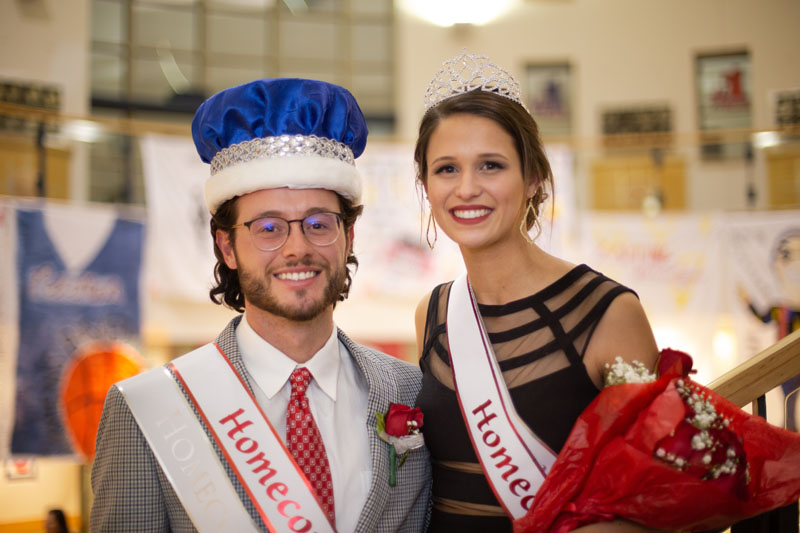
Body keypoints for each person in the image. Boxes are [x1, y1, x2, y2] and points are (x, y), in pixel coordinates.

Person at [91, 78, 431, 532]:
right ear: (227, 247)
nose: (297, 248)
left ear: (348, 236)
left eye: (318, 223)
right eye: (269, 228)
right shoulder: (148, 411)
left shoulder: (411, 391)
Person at [412, 52, 660, 532]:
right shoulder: (434, 312)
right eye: (446, 169)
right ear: (426, 185)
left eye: (490, 165)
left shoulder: (608, 312)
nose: (466, 188)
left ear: (533, 179)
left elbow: (651, 498)